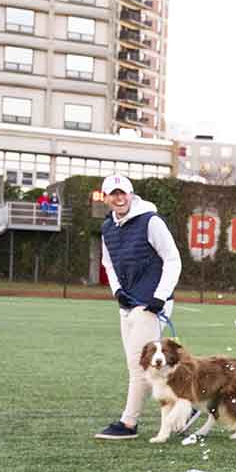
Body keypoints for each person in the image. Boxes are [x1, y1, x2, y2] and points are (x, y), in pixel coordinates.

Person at [93, 174, 182, 441]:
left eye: (123, 193)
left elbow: (173, 259)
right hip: (127, 303)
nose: (119, 198)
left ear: (131, 194)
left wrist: (160, 296)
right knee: (145, 366)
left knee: (139, 366)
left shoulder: (151, 221)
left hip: (151, 304)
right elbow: (108, 263)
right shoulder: (108, 227)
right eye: (114, 194)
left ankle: (128, 423)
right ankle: (184, 407)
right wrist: (117, 290)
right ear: (106, 197)